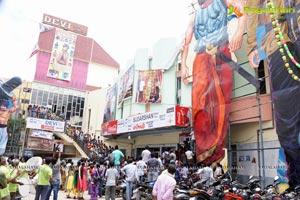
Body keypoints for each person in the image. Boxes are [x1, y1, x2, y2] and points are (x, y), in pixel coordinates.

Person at [181, 0, 247, 165]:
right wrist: (183, 65)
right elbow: (186, 42)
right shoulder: (194, 15)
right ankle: (204, 152)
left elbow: (242, 10)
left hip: (221, 53)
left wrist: (239, 32)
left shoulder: (223, 1)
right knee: (199, 104)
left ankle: (216, 151)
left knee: (221, 102)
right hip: (202, 58)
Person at [246, 0, 300, 189]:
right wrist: (252, 45)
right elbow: (251, 9)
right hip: (279, 44)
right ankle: (296, 179)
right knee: (287, 123)